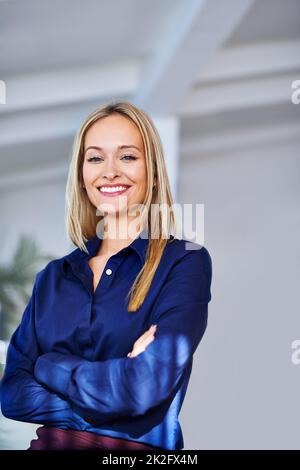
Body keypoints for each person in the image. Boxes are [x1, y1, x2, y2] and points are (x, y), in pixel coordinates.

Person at [0, 101, 212, 450]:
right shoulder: (53, 278)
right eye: (95, 158)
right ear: (82, 176)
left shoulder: (184, 263)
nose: (110, 171)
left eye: (127, 156)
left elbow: (143, 387)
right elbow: (12, 396)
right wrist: (119, 409)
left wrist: (50, 365)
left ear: (154, 172)